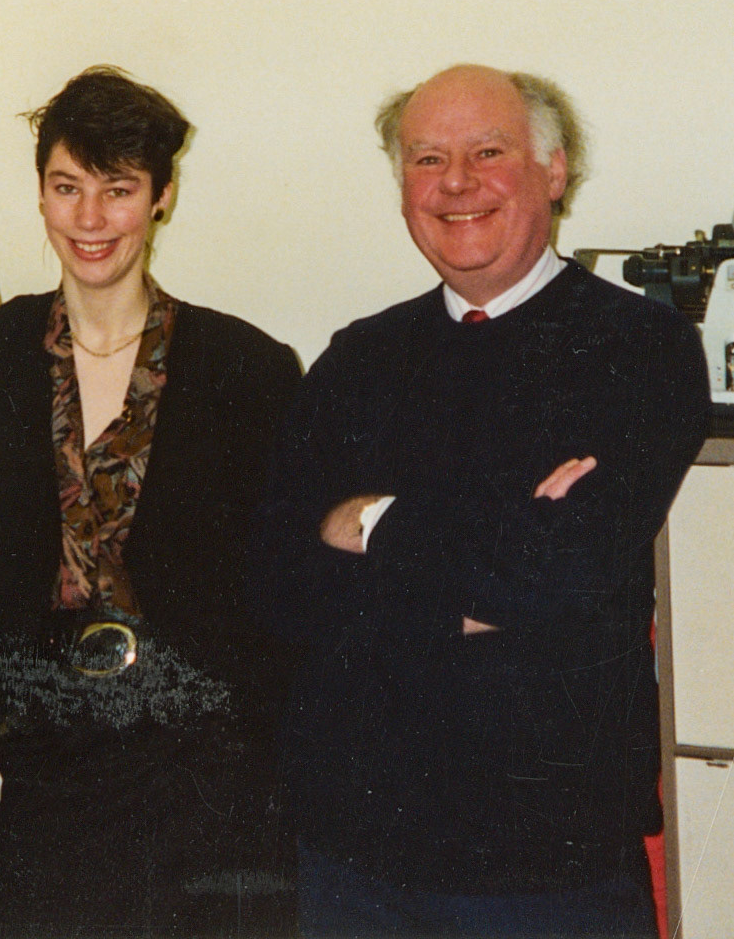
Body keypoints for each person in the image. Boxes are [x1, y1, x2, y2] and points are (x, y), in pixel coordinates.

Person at [255, 64, 709, 938]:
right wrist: (486, 556)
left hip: (550, 871)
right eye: (426, 160)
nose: (454, 183)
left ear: (553, 171)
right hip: (355, 865)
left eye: (487, 152)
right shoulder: (357, 358)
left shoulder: (639, 345)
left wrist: (368, 520)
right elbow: (279, 584)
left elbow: (560, 573)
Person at [0, 67, 303, 938]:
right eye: (67, 188)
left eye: (117, 191)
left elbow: (281, 584)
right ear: (40, 194)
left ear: (161, 197)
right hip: (45, 762)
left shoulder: (245, 368)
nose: (89, 219)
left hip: (204, 767)